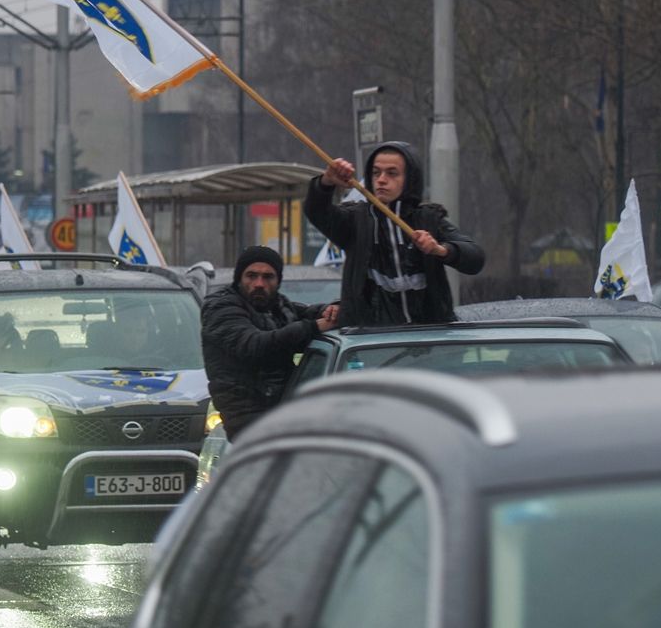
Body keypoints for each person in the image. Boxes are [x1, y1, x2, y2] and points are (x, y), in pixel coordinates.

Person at [305, 141, 484, 327]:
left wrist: (441, 250)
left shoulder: (428, 219)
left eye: (392, 173)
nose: (381, 180)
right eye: (376, 173)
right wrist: (326, 182)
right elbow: (316, 212)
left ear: (410, 179)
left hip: (430, 339)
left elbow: (476, 258)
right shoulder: (356, 220)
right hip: (371, 342)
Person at [201, 246, 338, 440]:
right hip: (248, 420)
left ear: (278, 281)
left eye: (267, 277)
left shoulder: (277, 306)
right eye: (252, 276)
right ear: (239, 278)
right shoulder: (221, 307)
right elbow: (254, 345)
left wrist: (331, 309)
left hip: (282, 413)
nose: (259, 283)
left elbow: (304, 313)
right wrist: (314, 327)